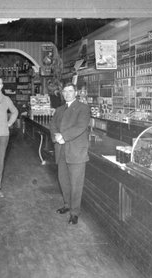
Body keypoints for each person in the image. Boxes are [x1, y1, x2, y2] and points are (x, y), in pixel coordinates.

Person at [49, 82, 91, 225]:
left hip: (76, 152)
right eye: (65, 91)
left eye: (70, 91)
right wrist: (56, 136)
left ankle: (74, 212)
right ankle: (67, 205)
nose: (67, 94)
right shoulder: (59, 109)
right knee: (64, 181)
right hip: (61, 151)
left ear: (76, 92)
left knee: (76, 184)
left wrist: (63, 137)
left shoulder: (83, 108)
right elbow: (52, 124)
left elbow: (80, 126)